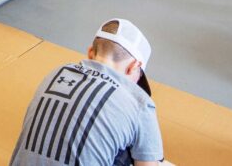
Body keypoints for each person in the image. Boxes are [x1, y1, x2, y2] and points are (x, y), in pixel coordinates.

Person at [10, 19, 169, 166]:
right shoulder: (139, 102)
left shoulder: (58, 71)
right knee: (140, 148)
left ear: (91, 53)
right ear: (134, 66)